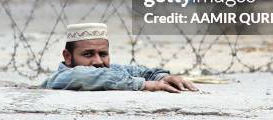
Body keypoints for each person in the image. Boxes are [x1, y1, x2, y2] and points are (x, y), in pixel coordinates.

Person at [41, 23, 198, 92]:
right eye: (88, 54)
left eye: (103, 54)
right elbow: (83, 76)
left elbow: (136, 70)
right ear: (68, 57)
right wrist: (143, 85)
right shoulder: (62, 77)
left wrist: (163, 76)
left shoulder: (109, 70)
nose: (98, 62)